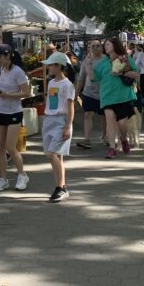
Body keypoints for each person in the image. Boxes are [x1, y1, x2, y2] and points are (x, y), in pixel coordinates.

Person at [0, 44, 31, 192]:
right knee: (0, 148)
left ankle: (22, 174)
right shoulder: (2, 70)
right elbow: (3, 86)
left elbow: (26, 93)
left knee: (10, 147)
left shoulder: (18, 71)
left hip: (14, 112)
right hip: (0, 111)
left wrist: (8, 95)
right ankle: (3, 179)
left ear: (8, 56)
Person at [93, 37, 140, 159]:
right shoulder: (102, 63)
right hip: (107, 97)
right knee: (110, 121)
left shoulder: (125, 58)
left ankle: (123, 139)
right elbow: (94, 78)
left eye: (108, 44)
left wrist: (122, 73)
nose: (106, 46)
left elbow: (136, 74)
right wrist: (88, 64)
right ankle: (112, 148)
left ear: (115, 45)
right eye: (105, 45)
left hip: (123, 96)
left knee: (122, 123)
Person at [41, 51, 75, 202]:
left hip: (61, 121)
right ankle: (61, 186)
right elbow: (52, 103)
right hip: (49, 120)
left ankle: (60, 188)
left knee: (52, 154)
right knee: (55, 156)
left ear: (58, 66)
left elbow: (70, 106)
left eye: (51, 65)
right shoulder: (51, 82)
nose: (48, 67)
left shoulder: (68, 85)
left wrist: (68, 125)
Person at [75, 40, 104, 149]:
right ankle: (87, 139)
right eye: (93, 46)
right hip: (88, 93)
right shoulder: (85, 62)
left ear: (101, 47)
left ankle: (105, 136)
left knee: (104, 116)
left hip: (103, 93)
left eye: (98, 46)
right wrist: (76, 93)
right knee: (87, 114)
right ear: (89, 48)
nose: (96, 48)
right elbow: (81, 79)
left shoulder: (106, 60)